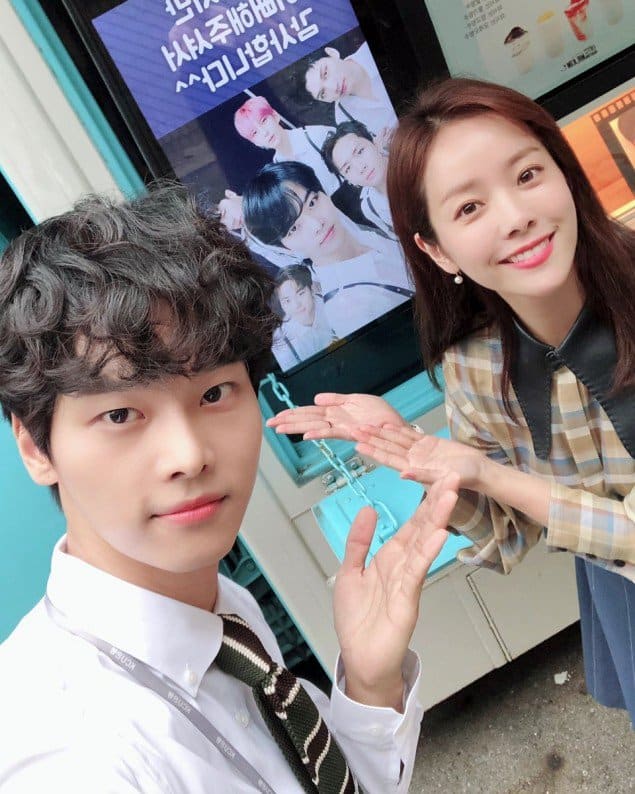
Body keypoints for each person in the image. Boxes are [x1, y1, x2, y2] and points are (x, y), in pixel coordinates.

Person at [0, 182, 459, 792]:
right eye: (121, 414)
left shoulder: (218, 607)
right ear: (36, 447)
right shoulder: (76, 760)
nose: (189, 455)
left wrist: (370, 687)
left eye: (215, 393)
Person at [267, 78, 635, 725]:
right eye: (469, 208)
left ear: (563, 172)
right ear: (436, 250)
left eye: (527, 175)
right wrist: (419, 457)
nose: (514, 216)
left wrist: (490, 475)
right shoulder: (476, 365)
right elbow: (508, 529)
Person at [243, 160, 413, 339]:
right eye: (294, 228)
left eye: (312, 203)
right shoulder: (349, 309)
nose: (317, 225)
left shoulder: (367, 233)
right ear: (285, 248)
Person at [234, 95, 340, 195]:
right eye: (255, 133)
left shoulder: (316, 135)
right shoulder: (277, 170)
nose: (264, 132)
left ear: (275, 116)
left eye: (264, 121)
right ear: (255, 143)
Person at [322, 120, 396, 239]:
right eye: (348, 168)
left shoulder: (413, 159)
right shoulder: (370, 207)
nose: (360, 167)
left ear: (374, 142)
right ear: (349, 181)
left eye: (360, 152)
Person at [304, 43, 397, 136]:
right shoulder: (344, 117)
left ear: (332, 53)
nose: (333, 87)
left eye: (325, 73)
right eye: (323, 93)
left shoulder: (371, 51)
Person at [272, 265, 337, 369]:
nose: (296, 305)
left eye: (301, 293)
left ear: (311, 289)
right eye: (287, 301)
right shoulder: (281, 341)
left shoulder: (333, 304)